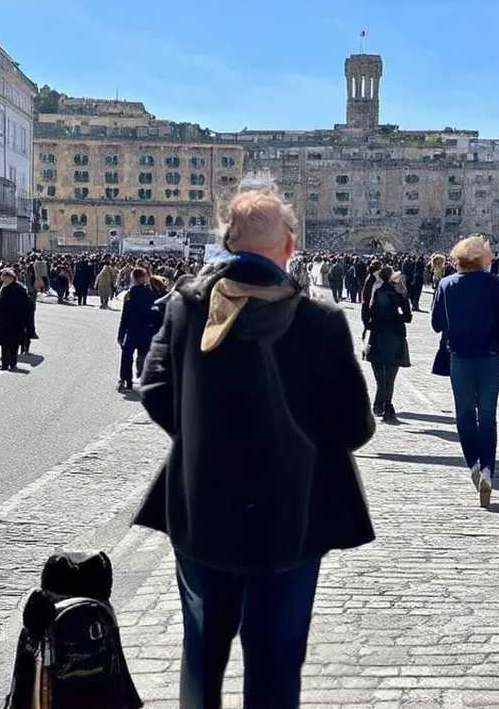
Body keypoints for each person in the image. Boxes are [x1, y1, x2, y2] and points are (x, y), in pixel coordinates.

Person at [134, 189, 375, 708]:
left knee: (202, 648)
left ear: (227, 243)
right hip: (294, 511)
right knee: (276, 654)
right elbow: (355, 428)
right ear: (289, 247)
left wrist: (203, 437)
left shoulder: (185, 306)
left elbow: (154, 392)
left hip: (202, 503)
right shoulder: (320, 322)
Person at [432, 235, 499, 508]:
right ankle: (487, 469)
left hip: (460, 358)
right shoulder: (494, 284)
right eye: (488, 252)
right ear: (478, 257)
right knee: (488, 415)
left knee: (463, 414)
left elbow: (437, 323)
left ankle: (473, 464)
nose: (492, 256)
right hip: (491, 358)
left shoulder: (447, 284)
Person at [363, 266, 413, 424]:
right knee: (390, 378)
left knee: (380, 377)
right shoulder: (399, 293)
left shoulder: (375, 291)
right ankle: (387, 406)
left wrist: (369, 322)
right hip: (395, 335)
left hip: (377, 335)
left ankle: (379, 405)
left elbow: (367, 314)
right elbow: (408, 317)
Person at [117, 267, 158, 392]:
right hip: (147, 330)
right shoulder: (151, 293)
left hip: (132, 330)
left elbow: (125, 316)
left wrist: (120, 333)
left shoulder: (130, 294)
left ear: (134, 279)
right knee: (144, 354)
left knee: (127, 355)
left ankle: (126, 379)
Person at [0, 268, 30, 372]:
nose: (2, 279)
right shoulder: (4, 288)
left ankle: (12, 363)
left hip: (15, 320)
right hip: (5, 319)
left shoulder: (19, 290)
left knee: (13, 344)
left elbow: (26, 307)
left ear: (9, 277)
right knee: (5, 343)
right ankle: (5, 364)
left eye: (3, 277)